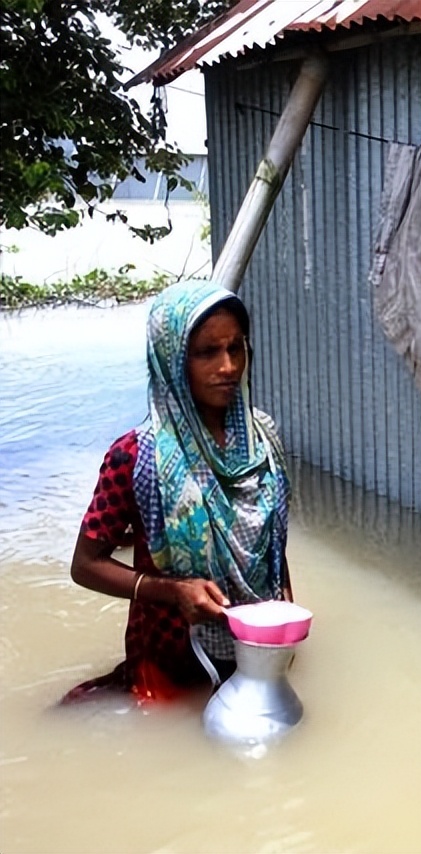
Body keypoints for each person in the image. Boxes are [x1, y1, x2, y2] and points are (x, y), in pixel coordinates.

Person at [62, 278, 292, 704]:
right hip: (174, 653)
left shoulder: (263, 438)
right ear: (172, 360)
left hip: (260, 646)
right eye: (207, 353)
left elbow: (272, 546)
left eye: (236, 348)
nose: (228, 367)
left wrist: (284, 622)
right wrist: (172, 591)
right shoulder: (135, 457)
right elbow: (85, 566)